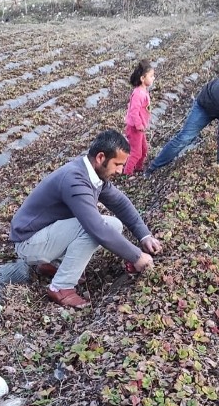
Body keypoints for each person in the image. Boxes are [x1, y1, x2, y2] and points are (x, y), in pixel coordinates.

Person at [9, 129, 163, 309]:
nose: (121, 171)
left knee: (113, 224)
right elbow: (96, 228)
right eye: (117, 164)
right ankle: (61, 287)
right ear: (100, 158)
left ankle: (52, 264)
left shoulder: (93, 174)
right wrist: (136, 257)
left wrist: (144, 235)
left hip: (45, 233)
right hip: (28, 241)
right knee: (93, 228)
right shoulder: (75, 180)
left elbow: (120, 203)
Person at [123, 60, 154, 175]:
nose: (153, 78)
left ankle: (138, 168)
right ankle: (127, 173)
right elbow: (133, 112)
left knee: (144, 150)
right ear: (142, 78)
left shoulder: (143, 91)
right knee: (136, 152)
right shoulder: (138, 94)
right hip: (135, 128)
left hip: (140, 128)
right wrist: (139, 125)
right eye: (151, 76)